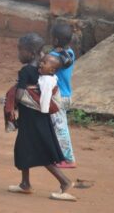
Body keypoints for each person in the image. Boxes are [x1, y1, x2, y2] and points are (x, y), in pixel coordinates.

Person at [5, 34, 76, 201]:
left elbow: (21, 93)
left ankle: (65, 182)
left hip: (31, 119)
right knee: (23, 148)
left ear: (30, 53)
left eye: (20, 50)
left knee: (41, 152)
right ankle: (25, 184)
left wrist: (12, 99)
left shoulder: (26, 71)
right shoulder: (44, 68)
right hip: (39, 117)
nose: (18, 54)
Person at [49, 23, 77, 168]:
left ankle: (68, 159)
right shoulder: (70, 53)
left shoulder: (53, 57)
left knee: (60, 128)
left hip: (57, 97)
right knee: (56, 126)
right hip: (66, 95)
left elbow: (46, 63)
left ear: (54, 40)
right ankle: (55, 154)